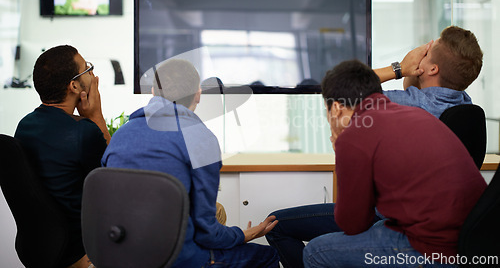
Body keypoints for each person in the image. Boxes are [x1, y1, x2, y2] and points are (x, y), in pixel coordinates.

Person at [266, 60, 487, 268]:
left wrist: (339, 146)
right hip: (473, 237)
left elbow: (352, 224)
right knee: (378, 226)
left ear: (335, 109)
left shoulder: (354, 136)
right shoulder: (414, 114)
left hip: (435, 250)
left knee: (314, 252)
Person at [101, 58, 279, 268]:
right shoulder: (200, 138)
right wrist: (244, 234)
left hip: (119, 252)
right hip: (174, 258)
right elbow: (207, 234)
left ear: (153, 93)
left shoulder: (121, 135)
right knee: (268, 256)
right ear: (198, 94)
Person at [15, 45, 110, 268]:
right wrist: (97, 117)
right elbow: (116, 181)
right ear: (74, 85)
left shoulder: (25, 125)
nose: (92, 75)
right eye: (87, 69)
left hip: (43, 249)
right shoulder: (83, 132)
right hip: (80, 254)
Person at [375, 25, 483, 118]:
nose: (419, 56)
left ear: (433, 69)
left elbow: (358, 91)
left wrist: (400, 68)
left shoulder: (414, 103)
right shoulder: (464, 102)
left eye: (426, 54)